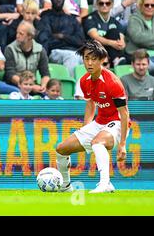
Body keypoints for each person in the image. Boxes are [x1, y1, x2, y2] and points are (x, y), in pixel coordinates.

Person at [56, 39, 130, 193]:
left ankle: (104, 183)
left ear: (102, 60)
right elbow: (91, 104)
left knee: (97, 143)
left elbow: (124, 113)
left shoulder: (113, 83)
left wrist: (122, 144)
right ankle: (65, 186)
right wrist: (86, 127)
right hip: (99, 122)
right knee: (61, 149)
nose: (89, 63)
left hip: (117, 123)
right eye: (86, 58)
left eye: (93, 59)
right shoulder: (84, 81)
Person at [36, 0, 85, 77]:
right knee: (71, 57)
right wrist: (69, 40)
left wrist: (62, 37)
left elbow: (81, 41)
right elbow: (45, 41)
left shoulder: (72, 20)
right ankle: (71, 89)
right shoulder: (45, 18)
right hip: (55, 52)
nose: (58, 0)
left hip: (75, 52)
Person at [4, 21, 50, 95]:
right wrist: (29, 86)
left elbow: (45, 74)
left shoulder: (40, 50)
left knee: (50, 94)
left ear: (30, 36)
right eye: (17, 33)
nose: (17, 36)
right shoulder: (10, 49)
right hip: (15, 85)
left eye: (21, 34)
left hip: (32, 84)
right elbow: (10, 75)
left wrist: (43, 86)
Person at [84, 0, 127, 67]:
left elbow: (121, 38)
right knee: (98, 41)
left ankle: (116, 60)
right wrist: (112, 43)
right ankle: (116, 60)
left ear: (112, 5)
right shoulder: (91, 19)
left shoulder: (114, 21)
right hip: (94, 49)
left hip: (110, 51)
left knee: (114, 31)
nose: (104, 5)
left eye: (107, 3)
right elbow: (95, 37)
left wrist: (121, 44)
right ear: (97, 5)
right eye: (101, 3)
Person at [125, 0, 154, 70]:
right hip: (138, 55)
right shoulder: (134, 18)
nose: (150, 7)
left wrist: (147, 39)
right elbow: (138, 38)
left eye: (152, 5)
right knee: (150, 67)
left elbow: (144, 38)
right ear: (141, 6)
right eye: (147, 5)